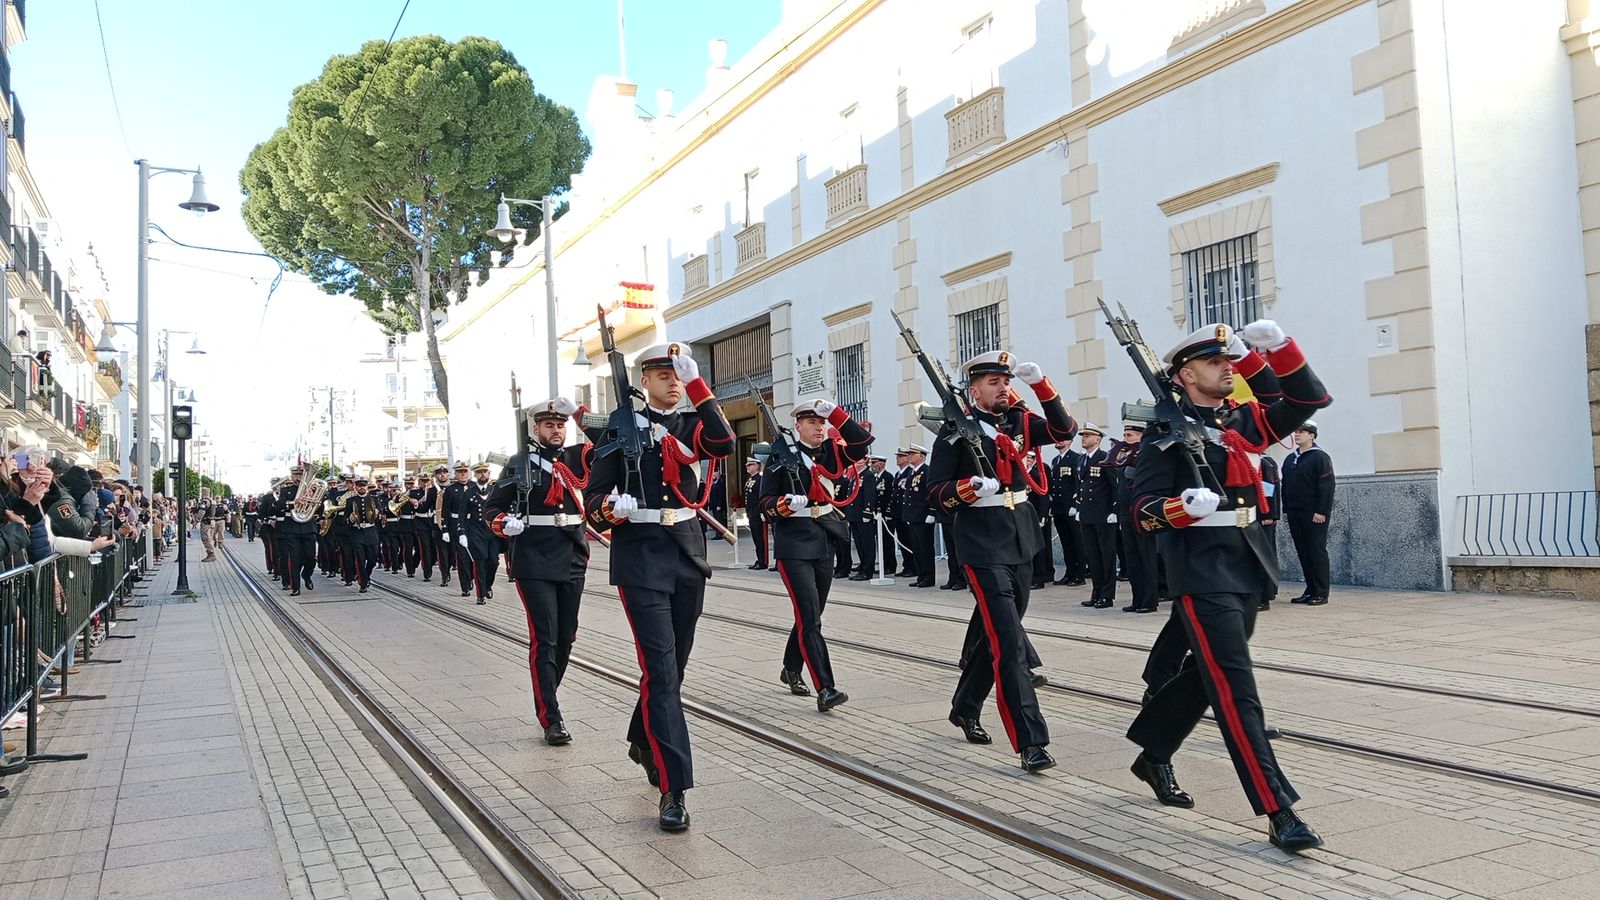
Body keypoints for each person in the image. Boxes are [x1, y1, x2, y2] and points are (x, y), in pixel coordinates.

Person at [1124, 319, 1329, 852]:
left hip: (1247, 565)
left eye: (1229, 359)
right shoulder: (1163, 435)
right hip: (1199, 571)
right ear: (1186, 374)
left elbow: (1309, 399)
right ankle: (1278, 810)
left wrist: (1280, 349)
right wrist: (1180, 508)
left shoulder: (1242, 422)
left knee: (1206, 675)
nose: (1228, 366)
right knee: (1237, 690)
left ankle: (1152, 750)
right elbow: (1140, 512)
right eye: (1216, 362)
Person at [583, 342, 734, 832]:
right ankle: (674, 788)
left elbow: (725, 442)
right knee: (662, 673)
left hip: (687, 552)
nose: (672, 380)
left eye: (679, 374)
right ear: (643, 379)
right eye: (663, 373)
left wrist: (700, 387)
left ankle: (641, 737)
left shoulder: (693, 425)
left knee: (676, 665)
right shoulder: (619, 427)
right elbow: (593, 499)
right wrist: (610, 508)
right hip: (641, 556)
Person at [929, 351, 1076, 773]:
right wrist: (967, 488)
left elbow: (1065, 429)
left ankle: (965, 704)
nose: (1002, 386)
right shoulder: (954, 433)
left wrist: (1043, 387)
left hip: (1021, 536)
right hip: (979, 541)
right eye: (993, 381)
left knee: (1000, 635)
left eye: (1005, 380)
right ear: (973, 390)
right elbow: (936, 492)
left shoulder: (1020, 421)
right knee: (1009, 642)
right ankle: (1031, 740)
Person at [486, 396, 593, 746]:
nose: (557, 430)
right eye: (550, 425)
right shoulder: (520, 463)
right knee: (545, 638)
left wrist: (580, 411)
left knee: (567, 637)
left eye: (561, 424)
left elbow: (609, 439)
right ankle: (551, 716)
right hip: (534, 557)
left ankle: (546, 694)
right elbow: (492, 509)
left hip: (573, 555)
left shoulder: (578, 459)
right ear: (536, 429)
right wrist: (505, 524)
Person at [761, 397, 871, 710]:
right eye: (811, 422)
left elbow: (860, 444)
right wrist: (784, 505)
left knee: (812, 613)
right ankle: (826, 688)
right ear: (797, 426)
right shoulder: (781, 455)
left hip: (824, 538)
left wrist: (836, 414)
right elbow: (765, 500)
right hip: (793, 543)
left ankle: (790, 668)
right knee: (809, 617)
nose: (818, 427)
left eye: (821, 422)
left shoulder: (832, 452)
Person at [1281, 421, 1334, 606]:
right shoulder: (1290, 459)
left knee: (1316, 550)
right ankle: (1310, 589)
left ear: (1311, 435)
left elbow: (1326, 487)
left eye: (1301, 432)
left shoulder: (1320, 458)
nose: (1297, 435)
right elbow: (1285, 487)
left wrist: (1322, 511)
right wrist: (1286, 509)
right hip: (1295, 513)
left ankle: (1321, 591)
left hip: (1313, 513)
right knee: (1303, 552)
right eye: (1296, 431)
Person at [1112, 423, 1159, 613]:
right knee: (1132, 557)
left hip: (1141, 512)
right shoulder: (1125, 456)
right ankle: (1137, 598)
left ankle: (1149, 600)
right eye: (1124, 434)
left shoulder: (1145, 455)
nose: (1126, 438)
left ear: (1141, 436)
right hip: (1126, 512)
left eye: (1129, 435)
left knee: (1146, 557)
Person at [1073, 425, 1118, 608]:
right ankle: (1096, 592)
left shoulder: (1105, 458)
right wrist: (1077, 508)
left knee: (1106, 556)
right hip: (1086, 513)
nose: (1084, 438)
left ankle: (1107, 596)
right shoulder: (1082, 459)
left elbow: (1114, 485)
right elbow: (1080, 486)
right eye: (1083, 436)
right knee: (1093, 556)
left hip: (1103, 514)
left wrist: (1114, 510)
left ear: (1098, 439)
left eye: (1088, 436)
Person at [1048, 441, 1087, 586]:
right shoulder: (1055, 460)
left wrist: (1075, 505)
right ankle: (1069, 572)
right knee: (1066, 543)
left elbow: (1078, 483)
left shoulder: (1075, 458)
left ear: (1069, 441)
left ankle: (1079, 575)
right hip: (1059, 508)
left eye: (1062, 439)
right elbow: (1054, 484)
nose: (1058, 442)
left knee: (1077, 542)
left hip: (1070, 507)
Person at [462, 463, 500, 604]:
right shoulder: (469, 492)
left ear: (489, 474)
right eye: (479, 472)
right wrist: (462, 533)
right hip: (475, 530)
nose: (483, 474)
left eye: (485, 472)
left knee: (494, 561)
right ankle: (480, 594)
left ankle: (488, 585)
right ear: (475, 475)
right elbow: (462, 514)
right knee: (480, 561)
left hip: (491, 530)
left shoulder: (494, 490)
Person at [340, 477, 385, 592]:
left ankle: (366, 575)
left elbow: (380, 516)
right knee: (360, 558)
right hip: (357, 532)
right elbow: (344, 519)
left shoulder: (374, 499)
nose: (362, 488)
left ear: (367, 487)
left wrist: (378, 515)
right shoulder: (351, 500)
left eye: (364, 485)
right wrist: (350, 519)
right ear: (355, 487)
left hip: (371, 532)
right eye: (359, 485)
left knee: (372, 558)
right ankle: (363, 583)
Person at [899, 445, 934, 588]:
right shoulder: (912, 473)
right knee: (916, 548)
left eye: (913, 454)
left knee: (925, 548)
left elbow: (930, 493)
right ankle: (921, 575)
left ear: (922, 456)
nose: (910, 456)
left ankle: (928, 577)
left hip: (923, 516)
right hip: (912, 516)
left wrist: (932, 512)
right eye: (909, 454)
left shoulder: (927, 471)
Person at [442, 463, 474, 596]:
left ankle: (472, 577)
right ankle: (465, 586)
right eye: (459, 472)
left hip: (473, 525)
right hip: (456, 525)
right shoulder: (451, 489)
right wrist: (445, 529)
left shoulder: (474, 487)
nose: (462, 474)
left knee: (475, 556)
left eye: (465, 471)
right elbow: (445, 511)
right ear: (455, 474)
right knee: (462, 557)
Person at [846, 458, 877, 581]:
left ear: (865, 461)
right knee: (859, 543)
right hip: (854, 515)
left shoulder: (868, 475)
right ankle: (862, 567)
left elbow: (870, 494)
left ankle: (867, 570)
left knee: (867, 544)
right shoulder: (856, 476)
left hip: (862, 514)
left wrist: (867, 511)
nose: (857, 462)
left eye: (860, 459)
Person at [1258, 453, 1281, 611]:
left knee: (1265, 554)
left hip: (1264, 515)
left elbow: (1269, 489)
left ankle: (1265, 594)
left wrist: (1269, 514)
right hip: (1256, 515)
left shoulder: (1265, 462)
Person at [428, 465, 455, 587]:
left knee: (452, 551)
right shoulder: (432, 490)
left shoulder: (454, 488)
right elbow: (427, 507)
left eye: (444, 472)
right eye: (439, 473)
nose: (442, 475)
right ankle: (444, 574)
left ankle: (448, 567)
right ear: (435, 476)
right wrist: (418, 503)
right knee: (442, 551)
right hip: (437, 523)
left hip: (452, 523)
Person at [741, 457, 768, 570]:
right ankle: (759, 559)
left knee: (761, 538)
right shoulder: (750, 479)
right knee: (756, 538)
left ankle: (763, 561)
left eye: (750, 465)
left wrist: (762, 512)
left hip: (758, 513)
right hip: (752, 513)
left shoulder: (760, 479)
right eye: (747, 465)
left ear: (757, 466)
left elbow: (761, 497)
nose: (748, 467)